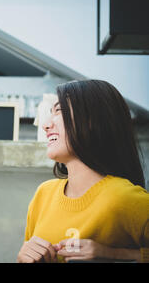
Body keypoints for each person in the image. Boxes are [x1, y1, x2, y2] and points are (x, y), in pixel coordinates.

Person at [17, 80, 149, 263]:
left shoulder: (126, 199)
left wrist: (115, 255)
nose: (45, 125)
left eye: (59, 111)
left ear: (92, 121)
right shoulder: (43, 194)